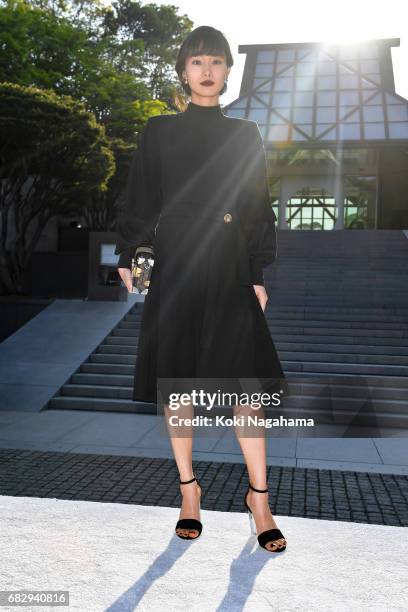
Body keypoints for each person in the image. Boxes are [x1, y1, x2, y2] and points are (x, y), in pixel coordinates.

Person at [115, 25, 287, 553]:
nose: (207, 70)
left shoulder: (244, 135)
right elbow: (141, 194)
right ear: (183, 71)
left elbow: (257, 203)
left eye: (216, 61)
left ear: (229, 72)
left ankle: (259, 499)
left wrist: (257, 272)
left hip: (231, 265)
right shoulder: (158, 131)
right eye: (197, 62)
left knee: (247, 393)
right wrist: (130, 252)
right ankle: (189, 492)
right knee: (180, 390)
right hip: (177, 266)